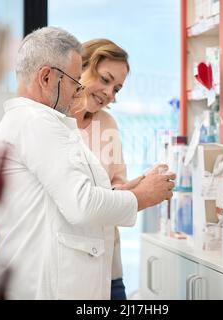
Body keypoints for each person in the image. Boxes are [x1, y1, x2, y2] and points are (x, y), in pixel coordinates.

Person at [0, 27, 175, 300]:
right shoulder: (38, 123)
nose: (77, 91)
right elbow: (81, 204)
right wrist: (141, 197)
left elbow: (64, 200)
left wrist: (120, 194)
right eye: (75, 81)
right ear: (47, 77)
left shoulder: (44, 123)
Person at [70, 39, 146, 300]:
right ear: (81, 66)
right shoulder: (53, 123)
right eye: (105, 79)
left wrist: (130, 190)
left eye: (117, 88)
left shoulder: (107, 125)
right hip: (67, 269)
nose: (110, 93)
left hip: (108, 263)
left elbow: (117, 185)